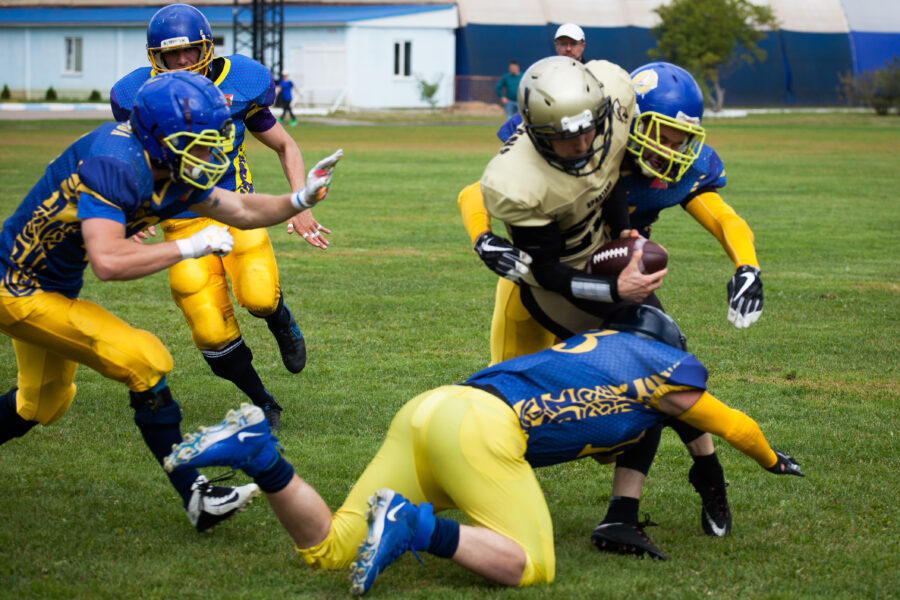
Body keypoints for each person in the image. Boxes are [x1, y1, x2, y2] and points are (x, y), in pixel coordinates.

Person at [164, 304, 803, 595]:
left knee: (331, 549)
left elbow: (638, 422)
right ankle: (415, 527)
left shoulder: (594, 353)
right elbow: (735, 426)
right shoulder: (665, 369)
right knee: (533, 565)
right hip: (480, 431)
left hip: (431, 410)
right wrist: (774, 461)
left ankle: (260, 454)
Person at [0, 70, 343, 533]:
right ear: (160, 138)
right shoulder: (116, 163)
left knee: (42, 404)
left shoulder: (166, 163)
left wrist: (300, 198)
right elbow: (108, 260)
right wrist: (190, 246)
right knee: (144, 360)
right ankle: (197, 496)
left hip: (49, 288)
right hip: (17, 287)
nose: (209, 152)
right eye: (198, 142)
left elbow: (241, 209)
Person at [110, 3, 330, 431]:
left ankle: (280, 318)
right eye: (171, 54)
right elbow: (123, 158)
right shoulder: (140, 96)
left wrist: (300, 202)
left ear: (206, 48)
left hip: (237, 210)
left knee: (260, 295)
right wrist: (127, 210)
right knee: (211, 330)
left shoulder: (239, 83)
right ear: (155, 57)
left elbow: (285, 145)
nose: (182, 60)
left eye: (189, 50)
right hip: (180, 222)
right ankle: (264, 402)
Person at [625, 61, 763, 328]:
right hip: (562, 262)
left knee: (659, 339)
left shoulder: (686, 168)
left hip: (622, 269)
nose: (668, 153)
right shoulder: (594, 151)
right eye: (661, 139)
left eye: (678, 144)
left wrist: (748, 268)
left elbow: (724, 219)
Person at [496, 23, 587, 141]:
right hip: (550, 132)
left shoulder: (591, 73)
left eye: (573, 43)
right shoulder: (546, 74)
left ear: (583, 46)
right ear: (556, 45)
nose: (568, 48)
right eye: (563, 43)